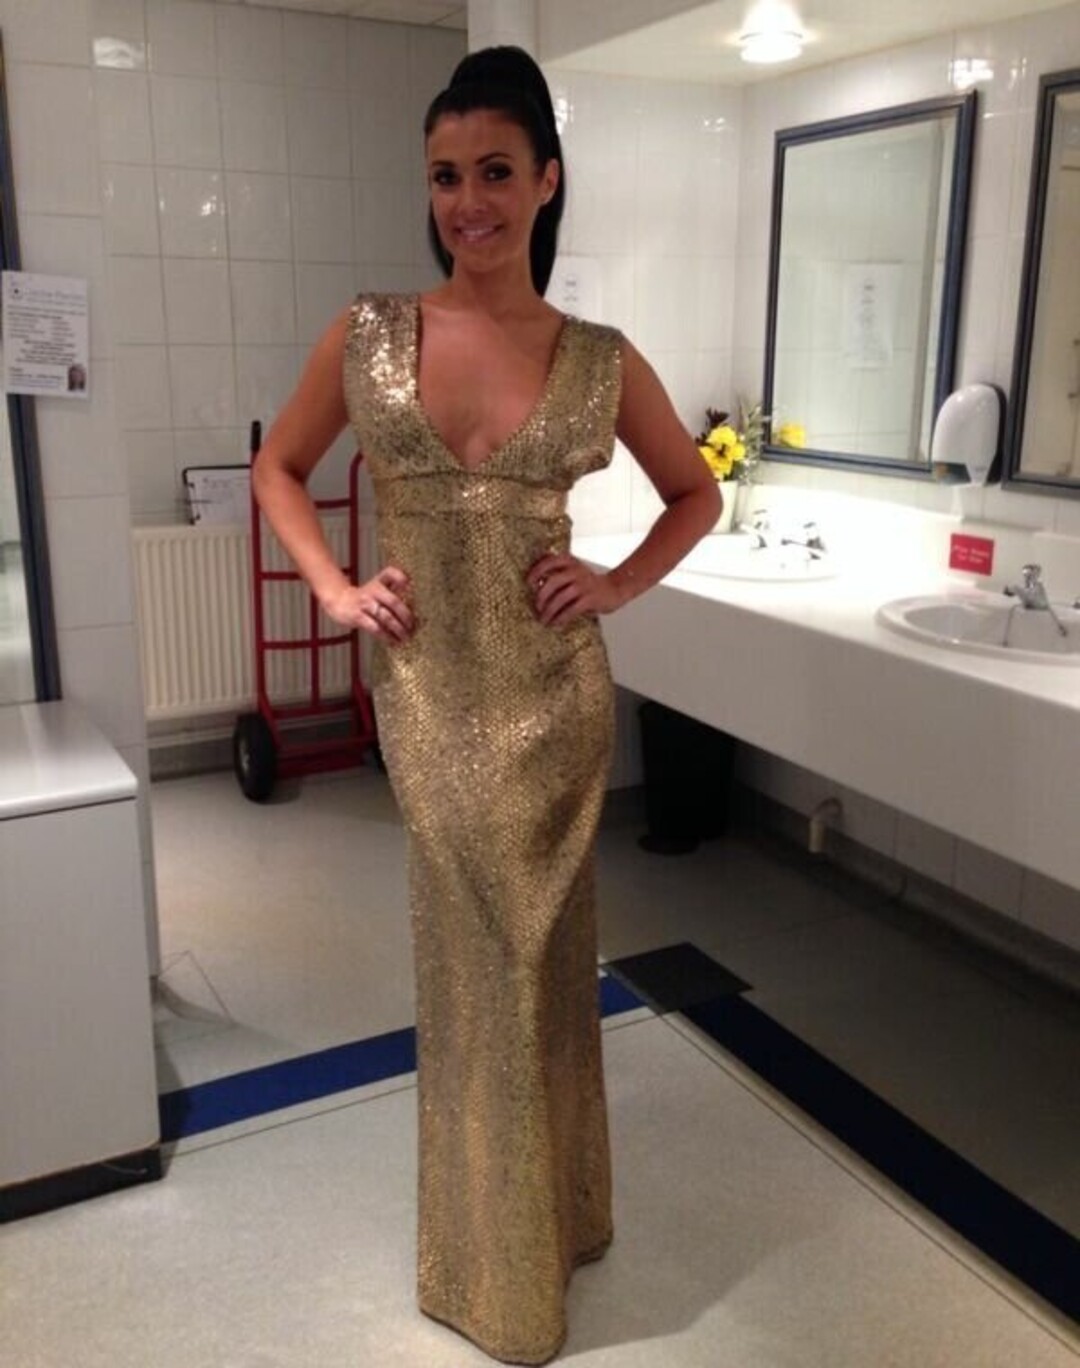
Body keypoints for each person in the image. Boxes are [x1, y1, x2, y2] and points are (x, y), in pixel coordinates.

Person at [252, 45, 719, 1366]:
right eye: (447, 176)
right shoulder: (370, 334)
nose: (469, 202)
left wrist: (616, 582)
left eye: (496, 172)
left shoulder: (597, 357)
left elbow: (696, 492)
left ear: (547, 181)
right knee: (476, 968)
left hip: (554, 706)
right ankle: (490, 1259)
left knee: (541, 966)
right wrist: (336, 589)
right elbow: (280, 468)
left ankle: (550, 1226)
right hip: (429, 701)